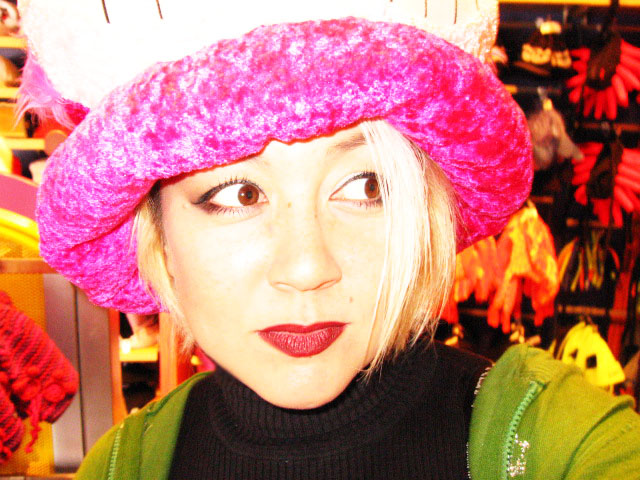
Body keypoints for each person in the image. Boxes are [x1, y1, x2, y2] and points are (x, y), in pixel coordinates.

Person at [19, 0, 640, 478]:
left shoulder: (564, 444)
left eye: (366, 185)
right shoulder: (123, 465)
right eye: (238, 194)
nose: (307, 267)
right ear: (157, 233)